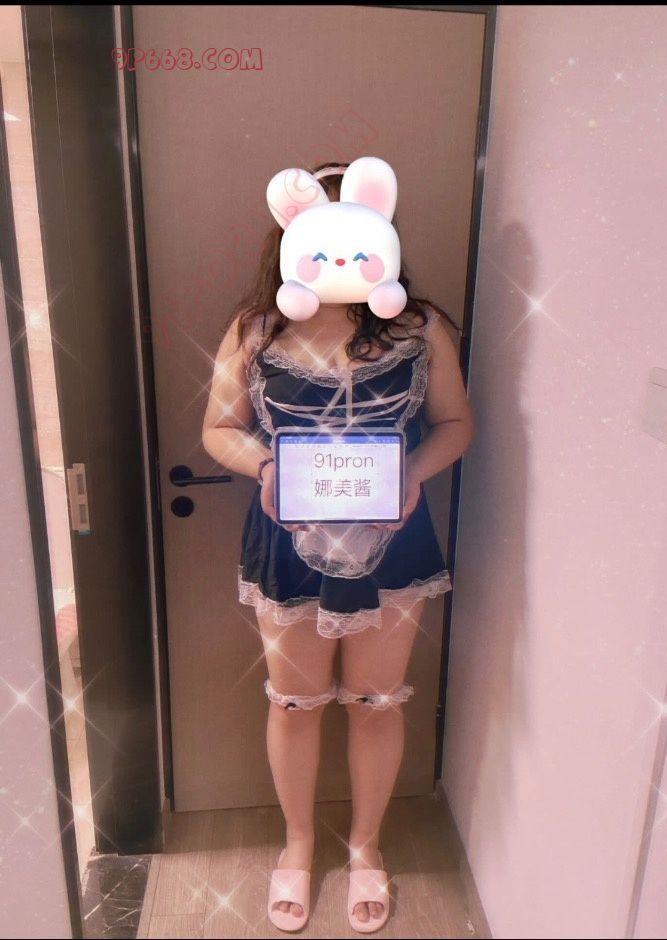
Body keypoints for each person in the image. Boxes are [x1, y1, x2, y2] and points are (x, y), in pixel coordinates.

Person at [201, 161, 474, 932]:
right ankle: (296, 846)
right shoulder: (257, 329)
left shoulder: (419, 329)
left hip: (395, 538)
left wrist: (413, 473)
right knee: (294, 705)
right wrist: (266, 467)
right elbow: (218, 428)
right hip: (287, 539)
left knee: (376, 705)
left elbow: (457, 424)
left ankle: (365, 848)